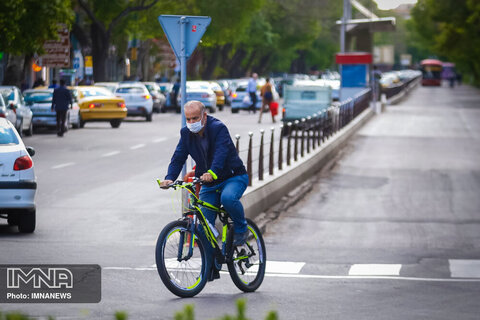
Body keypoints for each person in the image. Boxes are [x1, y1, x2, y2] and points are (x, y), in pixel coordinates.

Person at [160, 100, 249, 281]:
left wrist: (212, 172)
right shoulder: (186, 133)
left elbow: (221, 154)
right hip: (208, 182)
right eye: (188, 119)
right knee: (203, 226)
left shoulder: (218, 128)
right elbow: (179, 156)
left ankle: (241, 228)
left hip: (233, 176)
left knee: (228, 198)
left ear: (204, 116)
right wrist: (170, 177)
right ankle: (212, 265)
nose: (192, 123)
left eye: (195, 118)